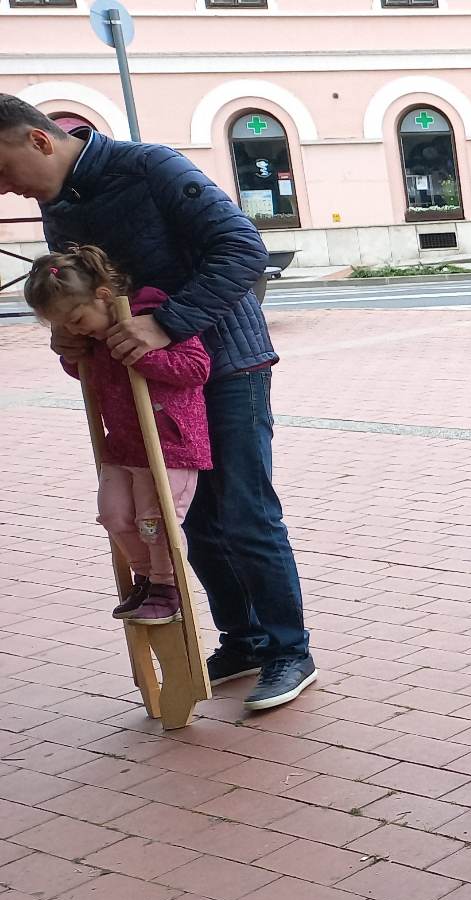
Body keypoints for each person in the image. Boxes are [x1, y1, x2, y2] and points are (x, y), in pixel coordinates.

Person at [0, 94, 316, 709]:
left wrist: (167, 322)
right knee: (189, 518)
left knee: (245, 513)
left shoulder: (149, 166)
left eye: (3, 170)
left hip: (226, 363)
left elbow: (242, 250)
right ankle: (245, 640)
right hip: (151, 387)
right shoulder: (59, 205)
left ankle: (288, 650)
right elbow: (85, 296)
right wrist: (72, 334)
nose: (5, 188)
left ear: (38, 140)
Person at [29, 246, 210, 626]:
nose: (75, 330)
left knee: (155, 519)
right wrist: (73, 356)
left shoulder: (153, 321)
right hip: (123, 446)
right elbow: (90, 374)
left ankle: (167, 585)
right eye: (64, 327)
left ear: (103, 296)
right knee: (113, 514)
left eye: (77, 319)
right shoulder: (94, 340)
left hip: (169, 444)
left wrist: (143, 355)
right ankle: (146, 577)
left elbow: (196, 368)